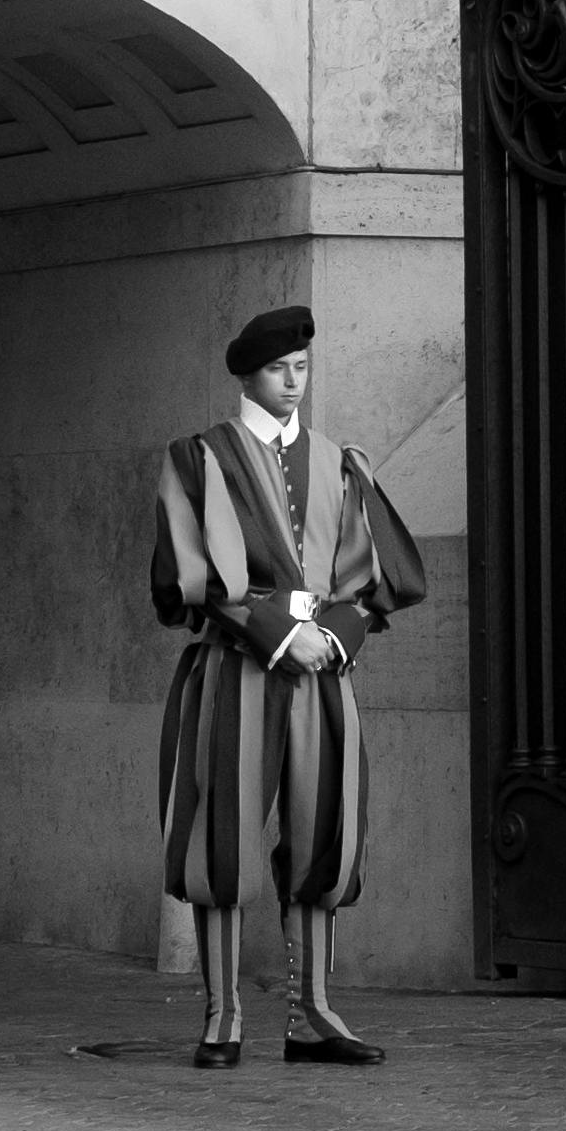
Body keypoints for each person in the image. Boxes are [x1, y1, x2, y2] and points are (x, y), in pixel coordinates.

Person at [151, 299, 426, 1067]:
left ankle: (313, 1018)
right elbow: (193, 579)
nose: (294, 382)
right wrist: (281, 635)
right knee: (223, 838)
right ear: (248, 374)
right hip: (237, 668)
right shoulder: (199, 460)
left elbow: (370, 577)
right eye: (279, 369)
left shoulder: (342, 461)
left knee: (323, 833)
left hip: (323, 674)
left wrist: (334, 637)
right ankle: (222, 1016)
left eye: (302, 368)